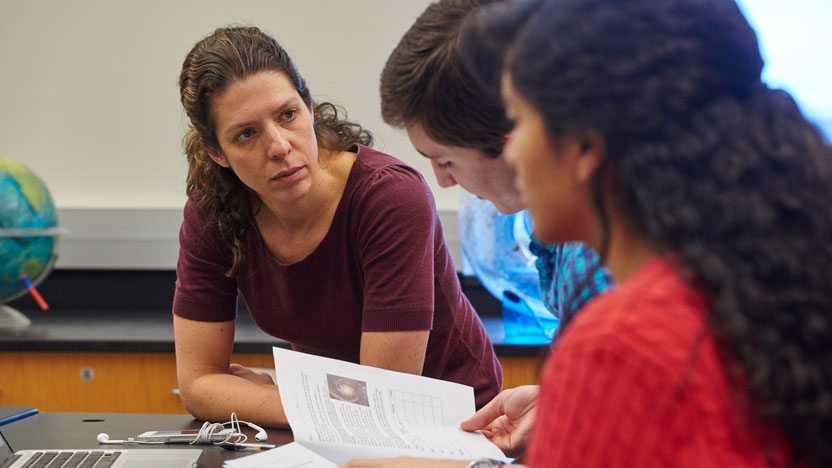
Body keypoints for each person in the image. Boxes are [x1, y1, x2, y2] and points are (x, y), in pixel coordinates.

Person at [343, 0, 832, 466]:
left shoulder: (617, 340)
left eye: (522, 122)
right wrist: (573, 413)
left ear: (583, 147)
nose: (512, 154)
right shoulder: (758, 267)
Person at [173, 25, 502, 429]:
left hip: (451, 425)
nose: (279, 146)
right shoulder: (214, 211)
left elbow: (384, 398)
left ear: (309, 108)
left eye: (288, 115)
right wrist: (295, 402)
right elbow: (198, 384)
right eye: (246, 134)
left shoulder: (390, 198)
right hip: (328, 425)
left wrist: (273, 397)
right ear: (216, 153)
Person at [378, 0, 613, 460]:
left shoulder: (599, 251)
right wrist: (558, 405)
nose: (442, 180)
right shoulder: (568, 229)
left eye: (446, 160)